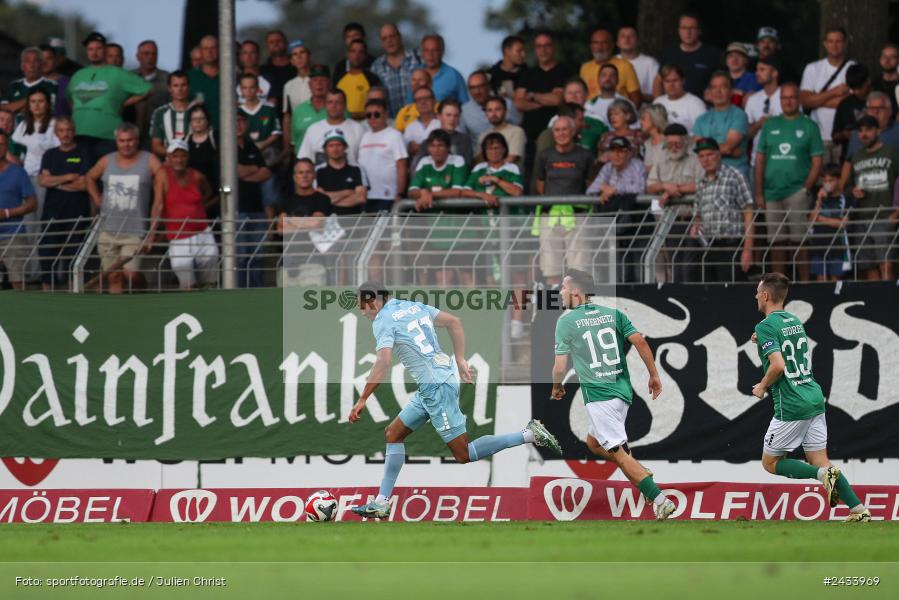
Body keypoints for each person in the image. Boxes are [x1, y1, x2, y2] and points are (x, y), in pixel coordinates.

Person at [349, 280, 561, 519]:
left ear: (375, 302)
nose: (362, 311)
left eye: (363, 306)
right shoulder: (412, 306)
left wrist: (363, 398)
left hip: (436, 387)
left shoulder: (382, 321)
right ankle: (381, 501)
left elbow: (383, 362)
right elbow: (454, 322)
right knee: (393, 433)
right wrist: (460, 359)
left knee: (463, 454)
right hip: (436, 381)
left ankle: (529, 434)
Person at [551, 269, 675, 520]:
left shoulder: (566, 320)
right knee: (594, 443)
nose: (560, 292)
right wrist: (654, 375)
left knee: (618, 452)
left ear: (576, 292)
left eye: (563, 287)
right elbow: (640, 341)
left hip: (600, 397)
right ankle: (635, 467)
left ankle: (660, 499)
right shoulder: (612, 313)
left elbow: (560, 366)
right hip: (621, 392)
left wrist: (556, 386)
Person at [750, 272, 871, 523]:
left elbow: (778, 365)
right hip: (814, 396)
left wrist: (762, 386)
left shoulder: (765, 326)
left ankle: (820, 477)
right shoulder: (794, 321)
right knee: (821, 460)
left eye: (757, 292)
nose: (755, 296)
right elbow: (787, 347)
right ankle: (858, 510)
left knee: (771, 463)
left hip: (792, 403)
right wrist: (759, 340)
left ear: (765, 295)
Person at [755, 82, 823, 280]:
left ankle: (804, 282)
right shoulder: (770, 125)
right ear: (780, 100)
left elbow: (817, 161)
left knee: (799, 240)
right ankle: (779, 286)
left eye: (792, 97)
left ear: (799, 99)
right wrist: (759, 192)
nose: (788, 101)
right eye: (784, 98)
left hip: (797, 190)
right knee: (776, 241)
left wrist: (805, 188)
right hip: (771, 192)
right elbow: (760, 159)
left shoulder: (809, 125)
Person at [85, 122, 161, 293]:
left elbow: (161, 191)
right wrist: (97, 198)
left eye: (130, 140)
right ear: (116, 141)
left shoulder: (149, 160)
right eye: (121, 141)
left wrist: (152, 233)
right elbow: (89, 177)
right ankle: (116, 312)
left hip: (135, 230)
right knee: (113, 276)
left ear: (137, 140)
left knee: (131, 274)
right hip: (108, 230)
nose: (126, 145)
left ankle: (142, 295)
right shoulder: (107, 160)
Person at [67, 32, 151, 165]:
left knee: (107, 175)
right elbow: (69, 98)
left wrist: (124, 103)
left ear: (105, 51)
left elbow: (147, 89)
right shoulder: (78, 75)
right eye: (90, 49)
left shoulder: (118, 73)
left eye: (98, 49)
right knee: (79, 170)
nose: (94, 52)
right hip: (80, 133)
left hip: (107, 136)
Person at [147, 140, 217, 289]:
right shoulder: (162, 175)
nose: (179, 159)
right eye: (175, 156)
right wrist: (151, 235)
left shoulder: (197, 176)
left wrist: (198, 208)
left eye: (183, 156)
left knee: (210, 281)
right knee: (186, 279)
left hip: (202, 232)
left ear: (188, 157)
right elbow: (158, 205)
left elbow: (210, 192)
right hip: (178, 235)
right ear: (169, 158)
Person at [533, 116, 594, 286]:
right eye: (557, 130)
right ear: (553, 133)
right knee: (551, 266)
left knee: (579, 266)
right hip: (551, 215)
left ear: (573, 131)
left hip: (577, 216)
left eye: (565, 129)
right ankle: (554, 309)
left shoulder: (585, 155)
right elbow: (540, 184)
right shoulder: (545, 155)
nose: (561, 133)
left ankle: (578, 309)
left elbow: (590, 184)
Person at [690, 137, 754, 282]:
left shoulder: (735, 176)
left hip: (731, 246)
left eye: (709, 154)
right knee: (711, 292)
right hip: (707, 247)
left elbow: (749, 214)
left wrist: (747, 250)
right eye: (701, 156)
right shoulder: (701, 182)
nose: (706, 160)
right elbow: (698, 215)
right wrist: (696, 224)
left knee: (733, 292)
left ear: (719, 154)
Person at [37, 117, 90, 290]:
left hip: (77, 212)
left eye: (68, 130)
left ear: (73, 131)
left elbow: (83, 184)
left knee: (73, 256)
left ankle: (72, 295)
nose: (65, 134)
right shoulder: (50, 154)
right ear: (56, 133)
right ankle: (47, 295)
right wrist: (67, 177)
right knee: (47, 253)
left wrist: (54, 181)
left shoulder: (84, 152)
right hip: (53, 213)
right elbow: (43, 181)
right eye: (61, 130)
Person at [846, 115, 899, 280]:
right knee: (868, 266)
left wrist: (895, 214)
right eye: (860, 131)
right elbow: (847, 186)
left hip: (884, 216)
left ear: (877, 131)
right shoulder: (856, 156)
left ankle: (890, 303)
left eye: (868, 129)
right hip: (862, 217)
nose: (864, 134)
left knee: (887, 265)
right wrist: (853, 191)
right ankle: (877, 303)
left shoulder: (891, 153)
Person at [12, 87, 58, 278]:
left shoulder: (54, 124)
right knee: (28, 224)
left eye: (40, 101)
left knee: (41, 224)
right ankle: (30, 271)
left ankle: (41, 271)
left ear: (47, 104)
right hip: (25, 177)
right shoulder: (23, 126)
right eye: (33, 101)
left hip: (44, 178)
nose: (37, 105)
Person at [514, 32, 573, 173]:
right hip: (527, 131)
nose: (543, 50)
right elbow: (518, 103)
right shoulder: (527, 74)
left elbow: (556, 100)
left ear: (553, 48)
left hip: (554, 130)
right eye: (539, 46)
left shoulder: (563, 71)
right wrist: (545, 100)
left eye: (546, 46)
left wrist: (532, 95)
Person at [800, 27, 854, 164]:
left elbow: (851, 102)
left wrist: (816, 98)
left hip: (843, 136)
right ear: (825, 44)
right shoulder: (812, 68)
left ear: (845, 43)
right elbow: (804, 101)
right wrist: (834, 92)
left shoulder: (853, 68)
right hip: (817, 136)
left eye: (838, 41)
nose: (834, 45)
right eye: (830, 41)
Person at [278, 158, 332, 287]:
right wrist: (306, 223)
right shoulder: (285, 199)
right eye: (300, 172)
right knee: (288, 306)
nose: (304, 176)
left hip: (314, 261)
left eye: (308, 172)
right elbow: (281, 230)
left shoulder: (322, 199)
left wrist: (290, 219)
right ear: (294, 177)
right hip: (287, 263)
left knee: (312, 307)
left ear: (314, 175)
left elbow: (316, 224)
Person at [235, 112, 273, 288]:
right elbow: (233, 172)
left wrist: (244, 173)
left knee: (257, 255)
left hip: (257, 209)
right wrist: (254, 169)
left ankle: (256, 292)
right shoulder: (225, 147)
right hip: (237, 210)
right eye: (235, 121)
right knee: (241, 256)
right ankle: (241, 294)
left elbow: (265, 173)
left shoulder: (252, 147)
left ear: (247, 124)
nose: (239, 125)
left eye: (242, 121)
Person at [693, 71, 750, 181]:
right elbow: (700, 150)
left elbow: (728, 147)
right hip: (709, 177)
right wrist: (731, 152)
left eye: (723, 87)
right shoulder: (701, 120)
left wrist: (726, 149)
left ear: (731, 91)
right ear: (710, 91)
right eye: (714, 87)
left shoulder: (739, 115)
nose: (718, 91)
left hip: (735, 176)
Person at [0, 130, 37, 289]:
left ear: (6, 146)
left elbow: (32, 203)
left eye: (1, 144)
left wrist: (7, 213)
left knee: (19, 283)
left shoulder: (18, 172)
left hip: (13, 234)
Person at [358, 98, 407, 213]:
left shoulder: (395, 135)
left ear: (385, 114)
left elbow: (402, 167)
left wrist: (400, 194)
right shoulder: (364, 136)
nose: (372, 118)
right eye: (369, 115)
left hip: (388, 196)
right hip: (366, 197)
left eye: (377, 114)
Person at [655, 14, 721, 98]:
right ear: (679, 31)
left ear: (699, 31)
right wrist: (657, 103)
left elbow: (720, 82)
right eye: (684, 28)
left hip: (703, 106)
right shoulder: (669, 53)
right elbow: (658, 81)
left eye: (692, 28)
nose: (688, 32)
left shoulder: (712, 54)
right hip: (672, 106)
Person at [809, 163, 852, 281]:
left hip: (838, 246)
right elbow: (811, 220)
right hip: (819, 245)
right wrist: (819, 200)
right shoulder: (818, 198)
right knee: (820, 279)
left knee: (835, 279)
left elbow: (843, 223)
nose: (827, 184)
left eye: (831, 180)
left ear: (838, 180)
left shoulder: (846, 198)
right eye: (825, 181)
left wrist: (820, 219)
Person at [297, 89, 363, 165]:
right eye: (330, 102)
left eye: (338, 102)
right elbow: (304, 160)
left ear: (345, 106)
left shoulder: (358, 129)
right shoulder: (313, 129)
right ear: (325, 105)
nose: (333, 106)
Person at [371, 24, 422, 118]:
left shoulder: (417, 58)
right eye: (384, 38)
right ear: (381, 42)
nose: (389, 41)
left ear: (400, 37)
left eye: (392, 36)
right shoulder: (376, 67)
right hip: (391, 123)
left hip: (417, 120)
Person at [580, 28, 641, 106]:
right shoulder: (585, 68)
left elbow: (637, 99)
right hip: (591, 113)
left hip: (617, 114)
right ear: (591, 46)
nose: (599, 47)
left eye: (604, 43)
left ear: (612, 45)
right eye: (595, 43)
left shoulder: (625, 66)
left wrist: (625, 116)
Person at [315, 129, 368, 216]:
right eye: (331, 146)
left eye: (338, 145)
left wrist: (328, 200)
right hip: (327, 221)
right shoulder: (318, 171)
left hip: (352, 220)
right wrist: (347, 192)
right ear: (325, 149)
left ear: (345, 147)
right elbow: (318, 200)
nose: (335, 149)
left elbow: (361, 198)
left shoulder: (357, 169)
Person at [130, 40, 170, 150]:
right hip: (132, 136)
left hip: (159, 135)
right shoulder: (128, 77)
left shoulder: (167, 78)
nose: (150, 57)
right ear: (138, 56)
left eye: (154, 54)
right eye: (146, 54)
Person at [745, 57, 782, 170]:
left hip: (782, 161)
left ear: (774, 73)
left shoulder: (788, 97)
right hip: (756, 162)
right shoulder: (752, 99)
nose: (757, 73)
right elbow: (746, 135)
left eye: (762, 69)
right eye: (757, 69)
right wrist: (758, 125)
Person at [1, 47, 58, 118]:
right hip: (15, 128)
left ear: (41, 64)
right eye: (27, 61)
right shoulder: (13, 86)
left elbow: (44, 111)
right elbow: (3, 109)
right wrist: (30, 99)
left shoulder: (51, 86)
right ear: (22, 66)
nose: (31, 65)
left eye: (35, 61)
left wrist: (14, 107)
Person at [285, 63, 329, 155]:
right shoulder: (299, 110)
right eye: (315, 80)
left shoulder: (339, 109)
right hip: (304, 164)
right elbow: (295, 142)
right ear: (309, 84)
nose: (319, 83)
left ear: (330, 83)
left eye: (323, 80)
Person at [149, 71, 194, 159]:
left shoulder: (198, 111)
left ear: (189, 87)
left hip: (194, 162)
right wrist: (176, 156)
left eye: (183, 85)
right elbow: (155, 145)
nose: (180, 89)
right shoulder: (160, 113)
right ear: (169, 88)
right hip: (168, 164)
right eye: (175, 85)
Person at [843, 91, 899, 159]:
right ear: (866, 111)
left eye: (880, 108)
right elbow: (848, 164)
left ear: (890, 111)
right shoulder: (856, 134)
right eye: (871, 108)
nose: (875, 112)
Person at [335, 39, 383, 120]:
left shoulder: (372, 79)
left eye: (360, 52)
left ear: (365, 55)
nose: (356, 55)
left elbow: (378, 106)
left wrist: (356, 115)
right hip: (343, 124)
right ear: (347, 54)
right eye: (353, 51)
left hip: (367, 124)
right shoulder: (339, 79)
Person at [831, 64, 871, 161]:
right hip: (850, 158)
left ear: (868, 81)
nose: (856, 92)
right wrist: (845, 135)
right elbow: (835, 136)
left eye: (860, 87)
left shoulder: (880, 100)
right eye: (853, 89)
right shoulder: (845, 104)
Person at [654, 64, 706, 134]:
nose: (671, 85)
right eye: (667, 81)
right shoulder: (658, 102)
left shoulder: (696, 103)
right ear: (662, 82)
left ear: (683, 81)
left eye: (675, 80)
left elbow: (703, 132)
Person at [616, 27, 659, 104]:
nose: (627, 39)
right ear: (617, 43)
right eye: (623, 36)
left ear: (638, 41)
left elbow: (657, 96)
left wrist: (634, 96)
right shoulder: (610, 62)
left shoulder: (650, 63)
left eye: (631, 36)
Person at [420, 34, 468, 103]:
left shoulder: (454, 76)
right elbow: (407, 106)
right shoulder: (414, 73)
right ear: (422, 53)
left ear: (442, 52)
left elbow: (465, 106)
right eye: (426, 50)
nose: (430, 54)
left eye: (435, 50)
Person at [477, 97, 525, 164]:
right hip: (486, 173)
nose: (493, 114)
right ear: (486, 113)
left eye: (497, 109)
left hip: (509, 173)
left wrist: (491, 172)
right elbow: (480, 161)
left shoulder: (517, 131)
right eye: (490, 110)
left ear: (505, 111)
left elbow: (512, 159)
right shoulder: (483, 135)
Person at [186, 105, 219, 202]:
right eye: (194, 119)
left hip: (214, 194)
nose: (198, 122)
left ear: (207, 120)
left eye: (201, 118)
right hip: (192, 193)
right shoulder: (185, 140)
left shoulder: (215, 137)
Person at [260, 30, 295, 114]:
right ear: (267, 46)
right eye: (271, 42)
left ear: (286, 44)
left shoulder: (296, 68)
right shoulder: (262, 71)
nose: (275, 44)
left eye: (279, 41)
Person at [188, 35, 221, 126]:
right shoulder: (189, 77)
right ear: (201, 51)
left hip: (227, 132)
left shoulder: (230, 76)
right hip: (198, 133)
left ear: (219, 49)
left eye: (213, 48)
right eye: (205, 48)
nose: (209, 52)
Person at [282, 40, 312, 137]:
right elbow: (287, 116)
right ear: (291, 61)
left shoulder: (319, 82)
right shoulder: (288, 85)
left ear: (309, 56)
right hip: (298, 134)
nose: (299, 57)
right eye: (295, 54)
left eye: (302, 52)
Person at [584, 64, 629, 129]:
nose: (608, 79)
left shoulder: (626, 104)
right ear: (598, 80)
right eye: (604, 75)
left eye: (612, 76)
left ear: (617, 80)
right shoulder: (589, 105)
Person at [403, 87, 440, 158]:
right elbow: (406, 152)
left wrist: (421, 148)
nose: (423, 102)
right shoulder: (410, 127)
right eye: (419, 100)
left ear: (434, 101)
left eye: (426, 98)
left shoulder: (445, 121)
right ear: (415, 104)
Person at [488, 35, 528, 102]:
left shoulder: (529, 74)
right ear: (507, 51)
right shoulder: (491, 76)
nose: (523, 54)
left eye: (523, 51)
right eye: (519, 51)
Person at [394, 69, 433, 133]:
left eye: (420, 80)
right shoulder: (404, 111)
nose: (416, 83)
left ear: (430, 84)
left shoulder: (441, 109)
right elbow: (398, 136)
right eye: (414, 80)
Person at [236, 40, 272, 106]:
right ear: (240, 57)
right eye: (245, 53)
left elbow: (272, 104)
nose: (248, 56)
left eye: (252, 52)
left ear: (258, 55)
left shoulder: (270, 79)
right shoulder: (234, 81)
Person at [39, 43, 69, 116]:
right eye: (41, 59)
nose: (44, 62)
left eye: (48, 58)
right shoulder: (29, 83)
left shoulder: (68, 83)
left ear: (56, 60)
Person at [872, 43, 899, 119]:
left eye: (892, 57)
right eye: (884, 56)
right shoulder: (873, 84)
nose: (887, 60)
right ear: (880, 59)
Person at [639, 103, 668, 173]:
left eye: (643, 118)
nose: (640, 122)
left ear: (655, 119)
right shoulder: (646, 143)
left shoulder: (669, 141)